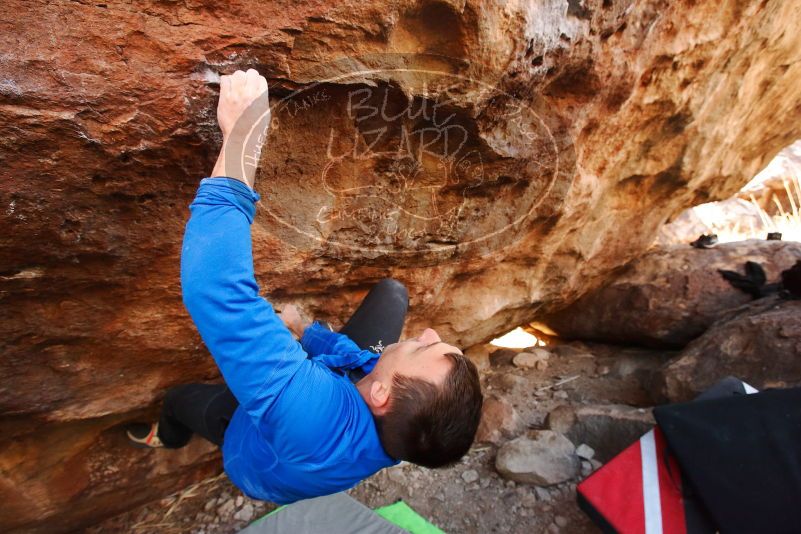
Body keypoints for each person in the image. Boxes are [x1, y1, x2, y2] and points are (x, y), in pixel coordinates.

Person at [126, 69, 483, 505]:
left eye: (426, 349)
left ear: (381, 395)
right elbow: (362, 367)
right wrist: (307, 333)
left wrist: (243, 135)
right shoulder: (407, 429)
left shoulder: (309, 413)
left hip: (251, 449)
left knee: (181, 400)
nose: (431, 334)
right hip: (335, 410)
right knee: (392, 295)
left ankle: (169, 437)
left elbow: (216, 292)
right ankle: (322, 346)